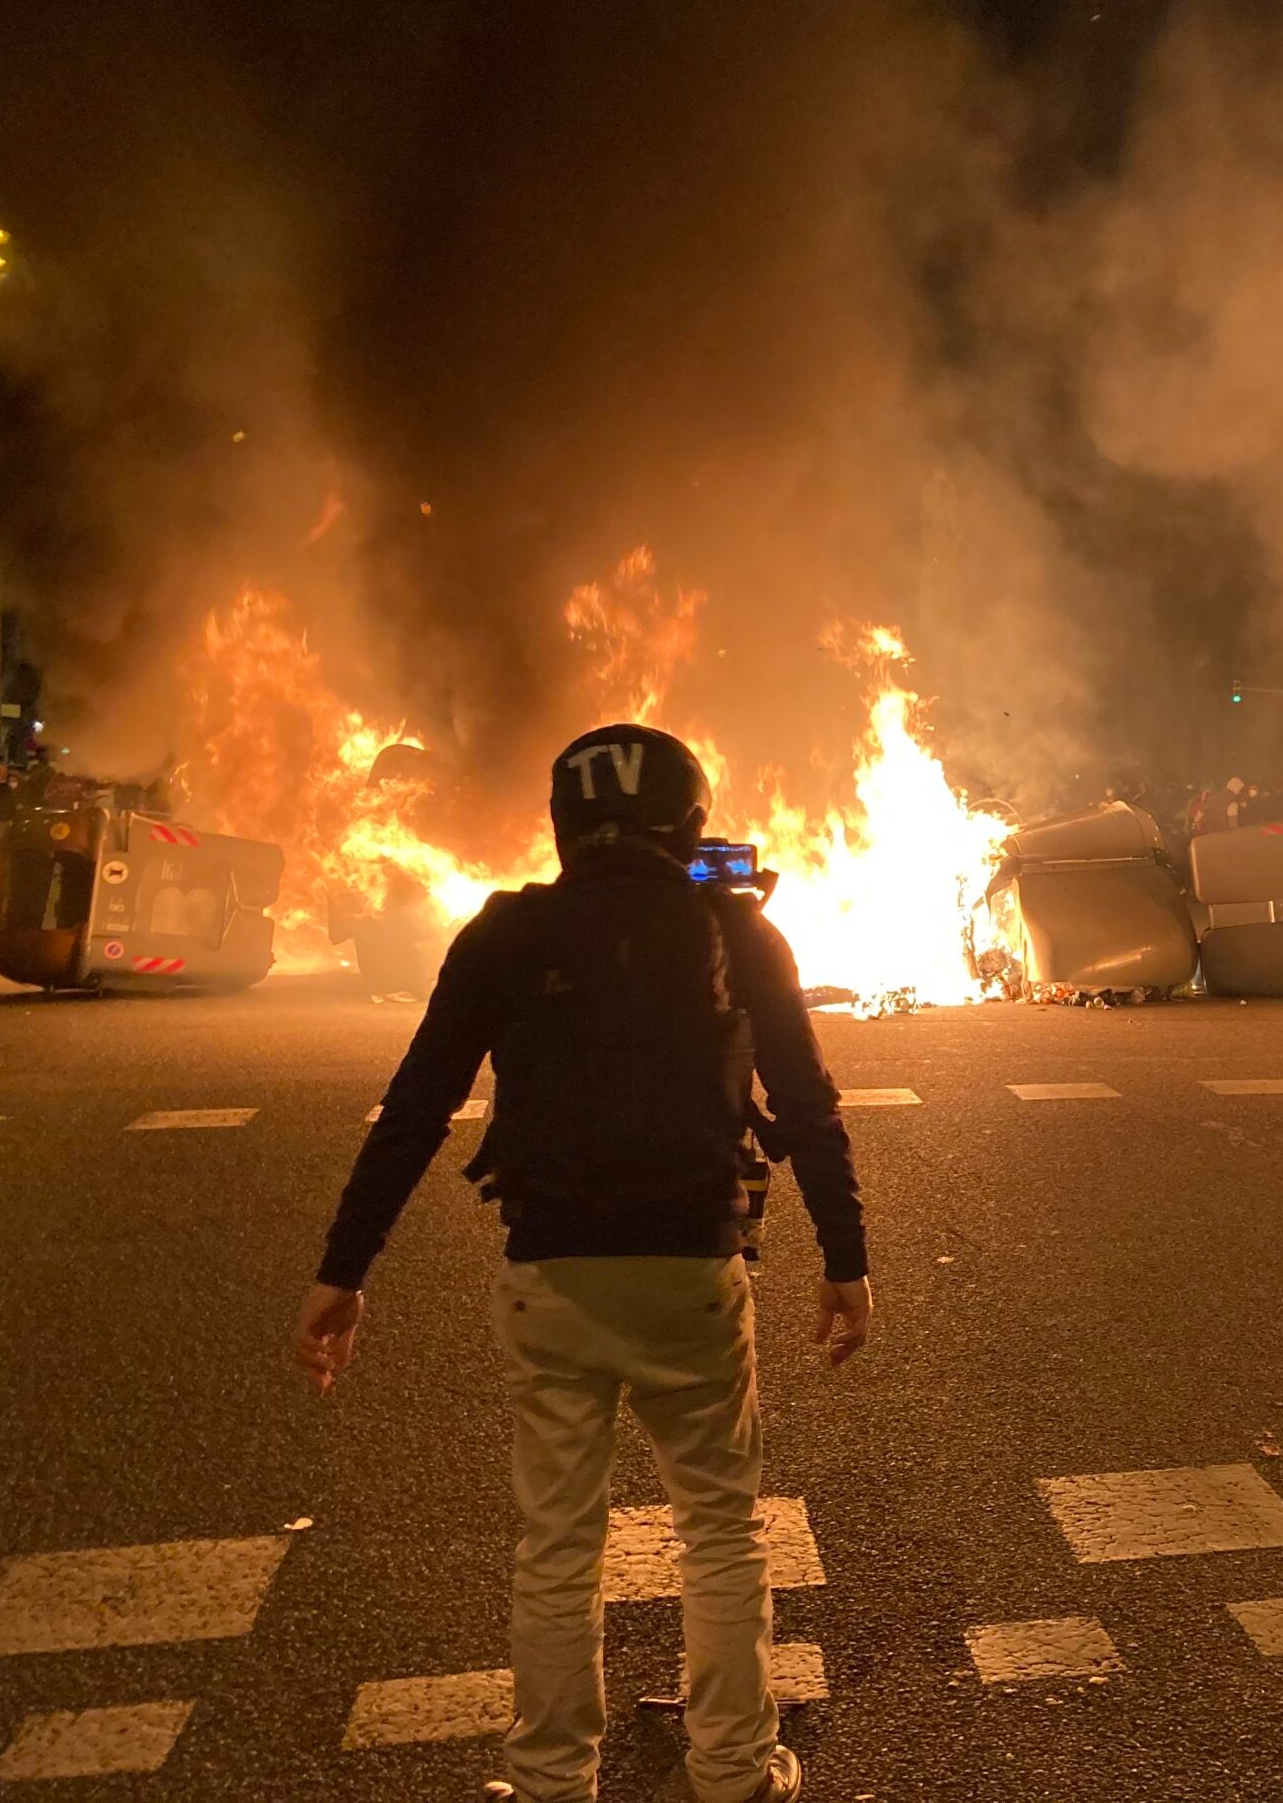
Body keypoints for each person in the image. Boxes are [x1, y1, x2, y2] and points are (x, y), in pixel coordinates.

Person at [295, 723, 869, 1803]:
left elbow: (415, 1110)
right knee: (721, 1533)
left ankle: (553, 1779)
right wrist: (846, 1258)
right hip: (693, 1268)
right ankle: (735, 1770)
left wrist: (344, 1268)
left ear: (564, 822)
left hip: (550, 1269)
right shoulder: (736, 932)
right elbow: (807, 1102)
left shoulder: (506, 934)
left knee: (557, 1545)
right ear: (688, 823)